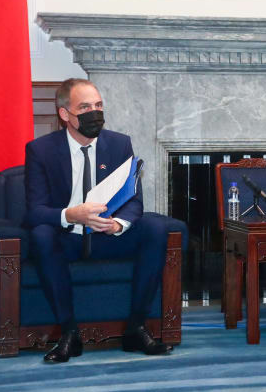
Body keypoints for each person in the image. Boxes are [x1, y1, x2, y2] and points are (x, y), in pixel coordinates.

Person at [24, 78, 172, 362]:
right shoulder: (40, 150)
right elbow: (34, 211)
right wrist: (70, 215)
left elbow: (133, 200)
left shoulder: (119, 144)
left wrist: (119, 224)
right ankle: (69, 334)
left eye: (99, 105)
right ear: (65, 114)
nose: (95, 113)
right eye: (85, 107)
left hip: (107, 237)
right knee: (41, 234)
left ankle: (136, 328)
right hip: (67, 238)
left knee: (155, 228)